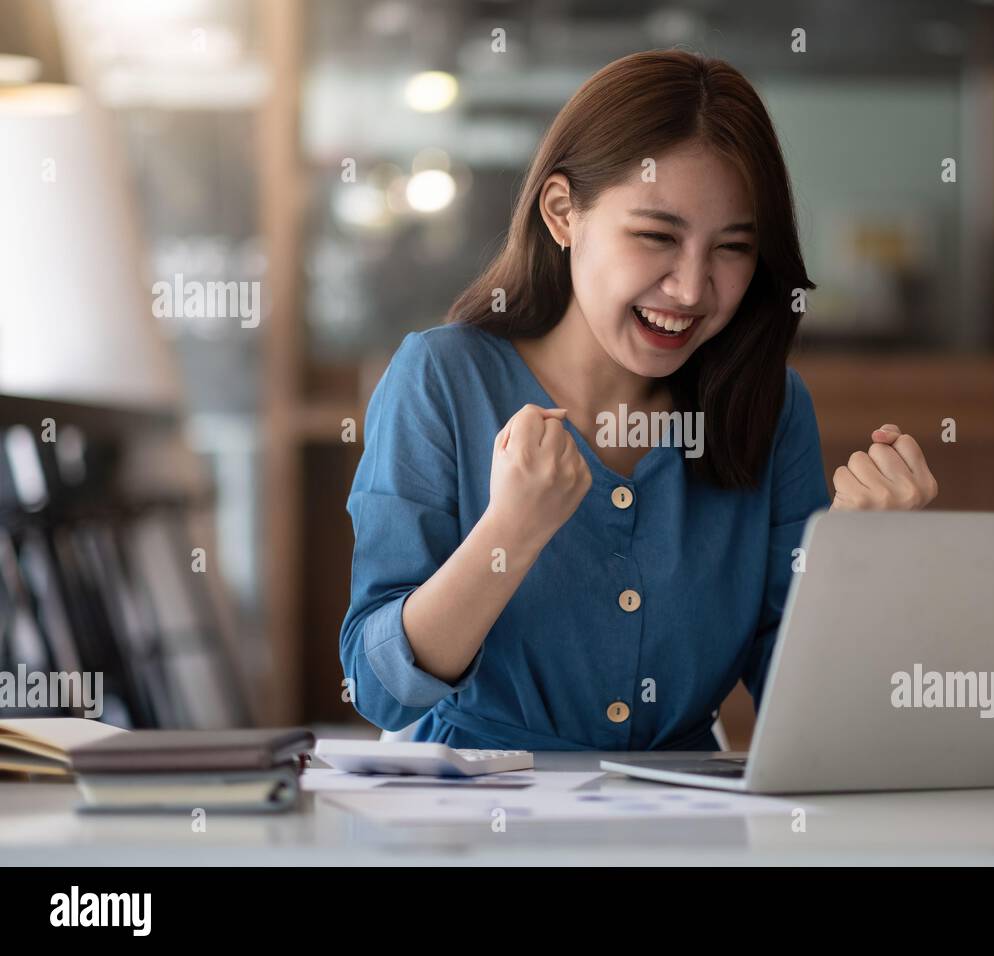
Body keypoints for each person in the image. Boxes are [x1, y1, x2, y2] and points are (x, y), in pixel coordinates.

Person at [339, 50, 938, 751]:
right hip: (476, 826)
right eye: (657, 236)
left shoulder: (769, 407)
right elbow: (379, 691)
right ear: (564, 213)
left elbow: (805, 710)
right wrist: (512, 532)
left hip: (688, 827)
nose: (691, 288)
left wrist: (861, 565)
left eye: (733, 248)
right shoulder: (442, 378)